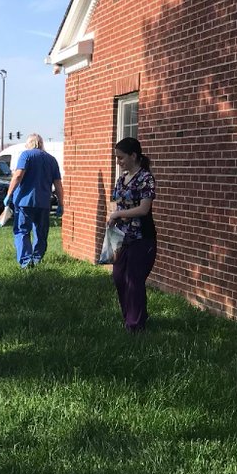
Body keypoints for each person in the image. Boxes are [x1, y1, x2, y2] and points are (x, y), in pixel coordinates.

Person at [106, 137, 156, 332]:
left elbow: (144, 209)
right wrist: (113, 216)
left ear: (133, 156)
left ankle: (135, 325)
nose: (118, 162)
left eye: (121, 158)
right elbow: (115, 203)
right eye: (117, 158)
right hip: (121, 236)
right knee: (119, 278)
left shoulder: (146, 178)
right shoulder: (121, 179)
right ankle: (132, 316)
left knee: (134, 280)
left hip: (142, 238)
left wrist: (119, 214)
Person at [3, 133, 64, 268]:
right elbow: (58, 184)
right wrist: (61, 203)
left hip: (24, 201)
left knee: (22, 231)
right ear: (41, 144)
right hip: (43, 202)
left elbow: (18, 175)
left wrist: (9, 194)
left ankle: (25, 261)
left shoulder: (26, 155)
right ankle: (37, 258)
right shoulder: (51, 160)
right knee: (41, 232)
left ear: (29, 144)